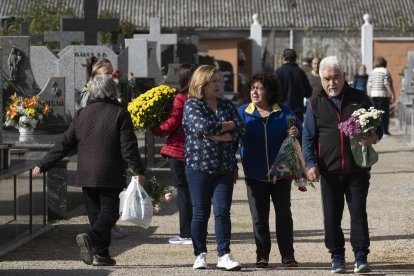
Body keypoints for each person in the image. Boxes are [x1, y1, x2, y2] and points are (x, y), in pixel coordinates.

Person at [33, 74, 146, 266]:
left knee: (96, 216)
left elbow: (65, 143)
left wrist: (44, 163)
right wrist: (138, 170)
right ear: (112, 91)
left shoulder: (81, 114)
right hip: (110, 172)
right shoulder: (120, 113)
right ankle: (91, 238)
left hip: (86, 173)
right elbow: (128, 146)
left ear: (93, 91)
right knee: (110, 214)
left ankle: (100, 255)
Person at [302, 56, 383, 274]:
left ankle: (361, 255)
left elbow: (379, 127)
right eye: (327, 78)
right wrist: (310, 164)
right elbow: (308, 137)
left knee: (358, 212)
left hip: (358, 168)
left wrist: (373, 137)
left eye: (336, 77)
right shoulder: (315, 102)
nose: (332, 83)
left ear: (343, 76)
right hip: (329, 170)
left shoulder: (360, 98)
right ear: (321, 79)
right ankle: (337, 256)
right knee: (331, 216)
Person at [237, 72, 302, 269]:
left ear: (269, 91)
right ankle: (262, 255)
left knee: (284, 215)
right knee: (259, 217)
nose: (254, 92)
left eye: (259, 88)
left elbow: (299, 130)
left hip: (280, 174)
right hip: (254, 174)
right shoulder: (241, 113)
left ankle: (287, 256)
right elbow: (232, 140)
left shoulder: (283, 111)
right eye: (252, 88)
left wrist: (295, 132)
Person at [183, 65, 244, 271]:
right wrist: (225, 128)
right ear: (202, 83)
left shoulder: (226, 104)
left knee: (222, 212)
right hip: (199, 166)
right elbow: (203, 127)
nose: (218, 84)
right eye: (213, 81)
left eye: (219, 80)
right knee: (200, 212)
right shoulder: (192, 105)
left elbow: (239, 127)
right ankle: (199, 253)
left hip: (224, 167)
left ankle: (224, 254)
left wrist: (217, 133)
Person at [79, 57, 126, 239]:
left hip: (109, 150)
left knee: (109, 199)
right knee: (100, 200)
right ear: (96, 74)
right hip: (97, 147)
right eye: (106, 73)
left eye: (111, 73)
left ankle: (109, 226)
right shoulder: (88, 92)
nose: (110, 76)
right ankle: (100, 232)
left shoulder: (109, 91)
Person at [152, 64, 198, 245]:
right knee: (194, 191)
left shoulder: (182, 98)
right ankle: (195, 230)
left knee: (183, 191)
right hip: (197, 151)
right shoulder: (202, 98)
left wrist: (155, 129)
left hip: (179, 150)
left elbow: (172, 123)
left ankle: (186, 233)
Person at [274, 48, 312, 122]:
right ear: (295, 59)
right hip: (297, 113)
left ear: (283, 58)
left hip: (280, 112)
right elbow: (308, 93)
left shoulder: (277, 73)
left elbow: (271, 93)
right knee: (296, 132)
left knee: (281, 133)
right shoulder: (301, 73)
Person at [367, 56, 395, 136]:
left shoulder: (372, 72)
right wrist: (392, 94)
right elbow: (386, 83)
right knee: (384, 114)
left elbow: (369, 84)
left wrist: (369, 95)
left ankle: (375, 132)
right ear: (384, 63)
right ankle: (385, 131)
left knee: (374, 114)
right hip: (383, 95)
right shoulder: (385, 71)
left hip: (373, 95)